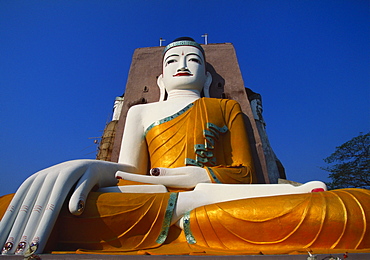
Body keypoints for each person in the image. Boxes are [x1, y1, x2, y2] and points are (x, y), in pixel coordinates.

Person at [1, 37, 368, 256]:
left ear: (206, 76)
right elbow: (130, 173)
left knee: (351, 207)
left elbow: (244, 176)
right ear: (160, 77)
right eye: (172, 61)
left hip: (215, 194)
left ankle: (191, 210)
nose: (182, 65)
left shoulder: (225, 107)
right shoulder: (142, 112)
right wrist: (94, 168)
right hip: (147, 196)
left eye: (193, 60)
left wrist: (195, 176)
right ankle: (189, 213)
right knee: (16, 206)